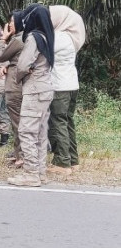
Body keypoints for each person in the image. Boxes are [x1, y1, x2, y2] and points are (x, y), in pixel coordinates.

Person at [7, 4, 55, 187]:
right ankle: (40, 172)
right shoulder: (47, 37)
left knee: (26, 131)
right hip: (46, 88)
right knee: (41, 133)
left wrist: (20, 76)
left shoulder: (34, 38)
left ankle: (31, 173)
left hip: (34, 88)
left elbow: (22, 65)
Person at [48, 28, 80, 176]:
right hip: (73, 84)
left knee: (58, 121)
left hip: (60, 86)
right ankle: (73, 161)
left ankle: (62, 162)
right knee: (68, 121)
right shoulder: (69, 37)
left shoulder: (56, 37)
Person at [0, 13, 25, 166]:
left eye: (13, 22)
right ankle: (18, 152)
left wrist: (3, 39)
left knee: (17, 121)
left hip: (14, 85)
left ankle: (21, 156)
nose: (10, 24)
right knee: (16, 121)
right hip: (16, 82)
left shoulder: (18, 39)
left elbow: (1, 56)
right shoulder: (22, 38)